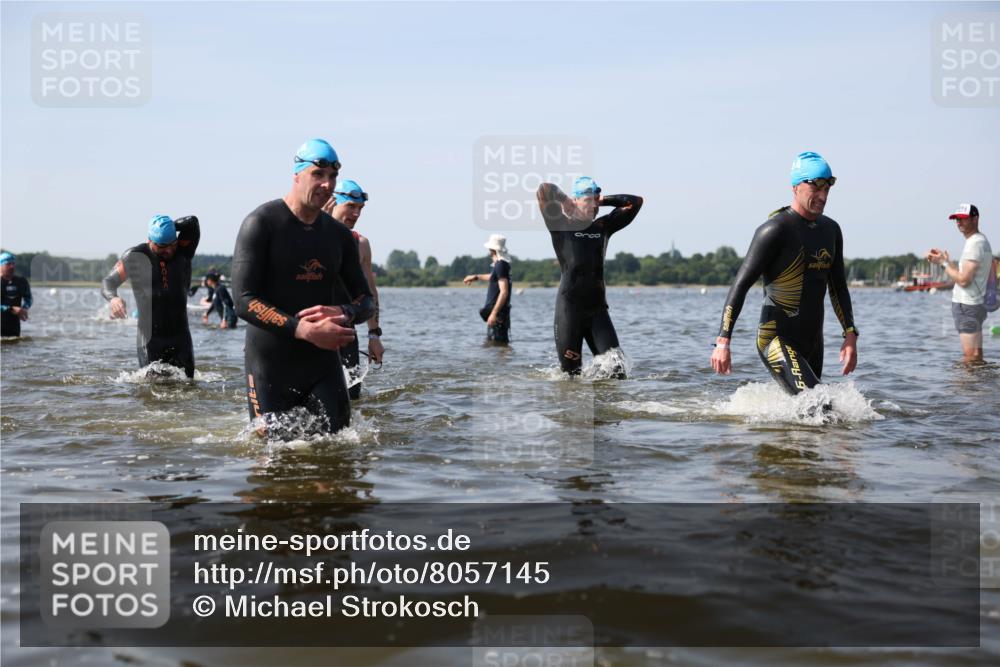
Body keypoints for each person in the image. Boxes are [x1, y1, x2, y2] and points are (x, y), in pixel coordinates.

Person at [232, 139, 374, 436]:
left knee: (340, 451)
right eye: (318, 174)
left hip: (322, 362)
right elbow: (244, 300)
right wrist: (303, 330)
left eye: (332, 176)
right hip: (269, 362)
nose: (327, 184)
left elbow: (366, 301)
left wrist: (344, 311)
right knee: (272, 461)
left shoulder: (338, 236)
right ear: (297, 174)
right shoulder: (261, 223)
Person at [710, 151, 858, 394]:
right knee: (819, 408)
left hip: (813, 342)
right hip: (775, 338)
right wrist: (723, 342)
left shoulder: (831, 230)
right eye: (816, 188)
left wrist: (850, 334)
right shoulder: (774, 230)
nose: (823, 196)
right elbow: (740, 285)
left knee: (809, 416)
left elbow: (838, 286)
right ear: (796, 187)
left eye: (827, 189)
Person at [536, 176, 643, 376]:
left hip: (598, 311)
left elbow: (635, 202)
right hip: (569, 310)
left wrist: (603, 200)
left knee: (617, 370)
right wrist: (564, 200)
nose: (594, 205)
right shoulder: (560, 224)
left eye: (596, 201)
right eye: (588, 200)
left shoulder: (603, 227)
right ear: (575, 200)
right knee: (570, 376)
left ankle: (606, 406)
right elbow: (544, 190)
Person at [101, 215, 200, 377]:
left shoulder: (184, 251)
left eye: (171, 244)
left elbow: (192, 222)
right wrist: (114, 298)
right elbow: (109, 282)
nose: (168, 250)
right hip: (151, 340)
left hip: (181, 337)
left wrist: (167, 227)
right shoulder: (135, 257)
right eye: (161, 246)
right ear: (150, 240)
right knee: (153, 390)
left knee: (189, 386)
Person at [322, 179, 383, 400]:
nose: (356, 213)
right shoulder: (307, 235)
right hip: (309, 331)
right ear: (332, 202)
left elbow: (370, 293)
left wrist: (374, 335)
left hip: (346, 332)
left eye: (360, 208)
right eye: (351, 206)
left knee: (351, 398)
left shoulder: (361, 244)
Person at [926, 204, 993, 363]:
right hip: (974, 304)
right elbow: (964, 275)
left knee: (971, 356)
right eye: (956, 219)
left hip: (967, 305)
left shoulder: (974, 243)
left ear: (975, 219)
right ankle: (980, 386)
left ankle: (965, 387)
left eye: (963, 219)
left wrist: (943, 263)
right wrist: (947, 262)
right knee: (976, 355)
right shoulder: (980, 241)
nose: (958, 222)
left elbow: (963, 280)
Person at [463, 234, 513, 344]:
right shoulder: (500, 265)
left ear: (493, 249)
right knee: (495, 346)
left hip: (498, 314)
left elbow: (504, 292)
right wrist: (475, 277)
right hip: (499, 313)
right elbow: (493, 277)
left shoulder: (500, 265)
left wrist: (494, 313)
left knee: (497, 344)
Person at [1, 252, 32, 338]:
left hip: (14, 325)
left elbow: (28, 298)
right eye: (8, 264)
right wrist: (11, 308)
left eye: (13, 263)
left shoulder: (21, 281)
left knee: (14, 345)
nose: (12, 266)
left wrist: (24, 308)